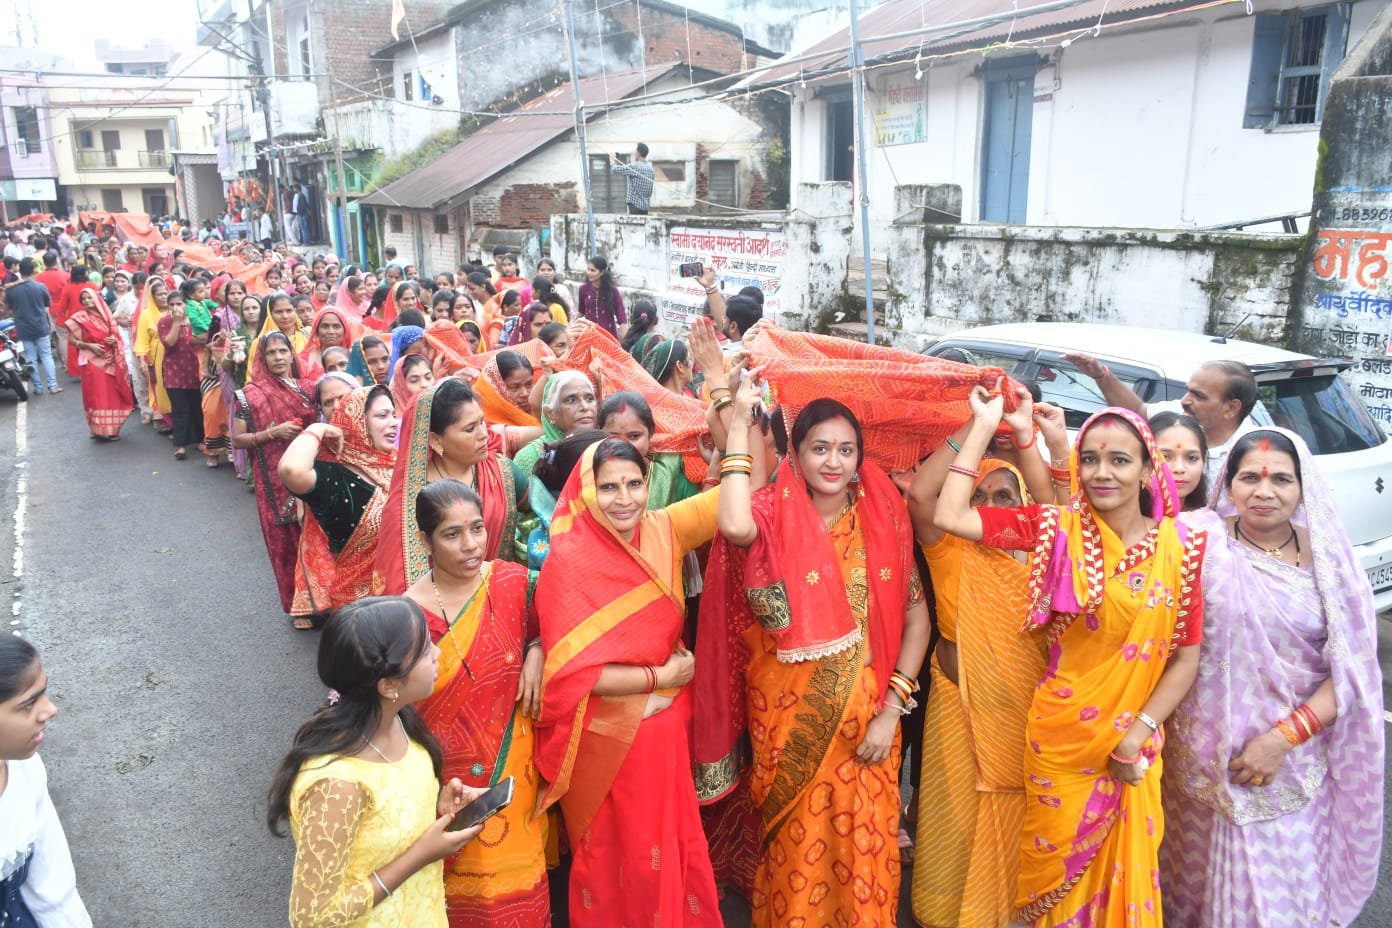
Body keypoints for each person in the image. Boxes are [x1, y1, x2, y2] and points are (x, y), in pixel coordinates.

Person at [932, 394, 1204, 926]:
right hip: (1061, 741)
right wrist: (984, 427)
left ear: (1149, 468)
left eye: (1120, 460)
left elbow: (1186, 658)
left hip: (1133, 745)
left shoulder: (1183, 546)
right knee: (1053, 887)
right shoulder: (1058, 532)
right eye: (1092, 459)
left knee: (1128, 876)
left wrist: (1138, 731)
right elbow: (949, 513)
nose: (1103, 473)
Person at [698, 392, 931, 927]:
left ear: (859, 459)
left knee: (864, 858)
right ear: (795, 455)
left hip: (869, 726)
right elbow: (732, 526)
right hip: (785, 724)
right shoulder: (772, 517)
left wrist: (892, 710)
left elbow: (916, 619)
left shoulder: (881, 524)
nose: (833, 461)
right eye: (819, 448)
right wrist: (738, 425)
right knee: (793, 857)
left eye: (846, 450)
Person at [1161, 428, 1383, 927]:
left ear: (1305, 487)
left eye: (1281, 478)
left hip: (1285, 764)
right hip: (1195, 764)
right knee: (1186, 898)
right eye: (1250, 477)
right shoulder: (1194, 538)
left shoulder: (1331, 561)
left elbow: (1355, 669)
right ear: (1228, 483)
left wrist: (1283, 739)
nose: (1264, 491)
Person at [534, 437, 727, 926]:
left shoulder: (664, 529)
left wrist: (729, 405)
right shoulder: (568, 561)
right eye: (609, 487)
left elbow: (736, 496)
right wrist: (660, 676)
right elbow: (574, 672)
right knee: (613, 854)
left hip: (663, 729)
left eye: (635, 483)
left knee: (662, 845)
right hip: (601, 733)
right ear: (585, 492)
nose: (625, 499)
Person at [905, 399, 1065, 928]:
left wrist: (1028, 441)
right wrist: (975, 428)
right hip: (959, 709)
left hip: (1024, 716)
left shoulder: (1046, 558)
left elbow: (1055, 507)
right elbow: (924, 495)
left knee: (1018, 824)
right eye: (979, 497)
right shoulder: (949, 547)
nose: (992, 506)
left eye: (1004, 497)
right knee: (954, 820)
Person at [268, 597, 486, 928]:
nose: (438, 654)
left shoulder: (399, 720)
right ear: (388, 685)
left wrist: (438, 806)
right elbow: (312, 917)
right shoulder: (336, 786)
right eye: (425, 651)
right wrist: (419, 857)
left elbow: (388, 816)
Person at [405, 481, 551, 926]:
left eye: (476, 529)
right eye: (452, 534)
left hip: (515, 773)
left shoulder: (513, 582)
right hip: (448, 785)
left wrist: (538, 646)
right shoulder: (407, 616)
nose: (470, 545)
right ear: (425, 541)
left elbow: (558, 622)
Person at [376, 379, 531, 595]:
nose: (484, 434)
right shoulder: (409, 502)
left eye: (482, 423)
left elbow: (540, 512)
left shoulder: (501, 472)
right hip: (440, 612)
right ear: (435, 441)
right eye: (470, 429)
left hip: (500, 598)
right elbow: (401, 581)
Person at [280, 386, 400, 613]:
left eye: (393, 414)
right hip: (361, 610)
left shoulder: (397, 464)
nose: (393, 422)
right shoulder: (334, 477)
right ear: (358, 422)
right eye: (382, 416)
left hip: (409, 597)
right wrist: (318, 427)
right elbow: (290, 469)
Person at [0, 635, 93, 927]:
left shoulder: (25, 770)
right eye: (28, 704)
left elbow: (54, 890)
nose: (50, 710)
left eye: (44, 694)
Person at [233, 333, 318, 617]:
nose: (279, 357)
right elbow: (238, 439)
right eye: (272, 353)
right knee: (284, 545)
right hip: (272, 480)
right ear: (262, 358)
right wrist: (273, 433)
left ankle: (323, 600)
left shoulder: (308, 388)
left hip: (310, 472)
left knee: (316, 537)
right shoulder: (249, 395)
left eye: (284, 351)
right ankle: (298, 608)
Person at [1063, 352, 1257, 472]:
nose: (1184, 401)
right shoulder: (1177, 414)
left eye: (1199, 396)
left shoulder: (1253, 451)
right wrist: (1101, 375)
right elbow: (1137, 411)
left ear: (1231, 408)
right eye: (1188, 390)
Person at [65, 288, 134, 441]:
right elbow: (71, 341)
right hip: (91, 360)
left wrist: (114, 341)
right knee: (95, 395)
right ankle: (97, 428)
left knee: (112, 394)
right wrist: (89, 346)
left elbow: (117, 338)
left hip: (110, 359)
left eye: (89, 298)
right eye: (83, 299)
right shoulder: (79, 317)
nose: (86, 301)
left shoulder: (107, 316)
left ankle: (112, 429)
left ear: (97, 299)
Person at [512, 371, 598, 479]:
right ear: (551, 413)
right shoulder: (531, 457)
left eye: (589, 399)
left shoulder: (606, 446)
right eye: (571, 400)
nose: (585, 407)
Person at [158, 290, 206, 461]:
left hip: (194, 369)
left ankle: (200, 440)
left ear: (186, 304)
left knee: (196, 407)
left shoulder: (195, 320)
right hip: (173, 370)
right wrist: (176, 323)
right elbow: (169, 343)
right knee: (180, 409)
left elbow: (203, 339)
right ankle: (181, 445)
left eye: (179, 304)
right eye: (171, 305)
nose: (175, 307)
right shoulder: (165, 322)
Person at [4, 257, 60, 395]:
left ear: (20, 271)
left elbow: (6, 309)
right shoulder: (40, 286)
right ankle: (53, 386)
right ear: (33, 270)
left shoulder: (12, 290)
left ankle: (38, 387)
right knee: (46, 355)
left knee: (30, 357)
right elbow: (49, 304)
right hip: (40, 325)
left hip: (23, 327)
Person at [1149, 410, 1209, 513]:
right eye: (1164, 457)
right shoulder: (1123, 522)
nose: (1179, 468)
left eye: (1192, 458)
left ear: (1204, 461)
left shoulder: (1211, 524)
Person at [576, 257, 625, 338]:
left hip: (608, 334)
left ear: (602, 272)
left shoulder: (613, 291)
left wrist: (625, 340)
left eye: (593, 270)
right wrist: (573, 326)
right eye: (588, 269)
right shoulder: (583, 289)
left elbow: (621, 315)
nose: (589, 273)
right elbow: (581, 311)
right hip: (589, 334)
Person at [610, 143, 655, 214]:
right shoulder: (651, 169)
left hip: (635, 206)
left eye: (635, 151)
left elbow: (616, 169)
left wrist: (612, 161)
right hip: (645, 207)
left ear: (638, 153)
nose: (634, 153)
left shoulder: (635, 166)